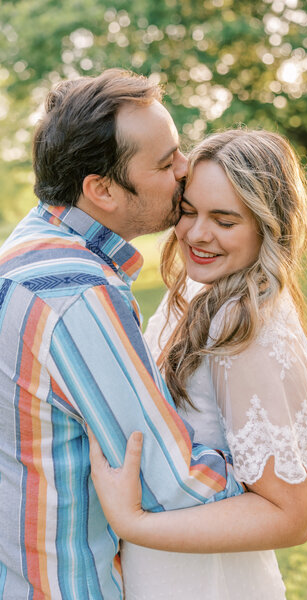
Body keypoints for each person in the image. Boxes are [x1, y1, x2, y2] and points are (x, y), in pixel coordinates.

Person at [0, 70, 245, 600]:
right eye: (165, 162)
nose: (186, 169)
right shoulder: (76, 293)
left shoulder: (27, 247)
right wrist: (269, 484)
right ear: (102, 189)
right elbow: (170, 484)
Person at [89, 129, 307, 600]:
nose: (197, 234)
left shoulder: (247, 326)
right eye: (189, 210)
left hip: (206, 582)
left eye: (224, 219)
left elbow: (291, 515)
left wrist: (132, 522)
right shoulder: (200, 293)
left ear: (267, 225)